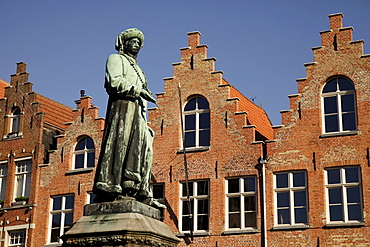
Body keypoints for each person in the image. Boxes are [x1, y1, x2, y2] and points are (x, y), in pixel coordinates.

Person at [93, 28, 165, 209]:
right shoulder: (115, 59)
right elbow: (114, 82)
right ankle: (112, 187)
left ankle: (138, 190)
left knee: (142, 150)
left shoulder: (139, 69)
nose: (137, 44)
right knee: (120, 145)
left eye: (139, 42)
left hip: (138, 113)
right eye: (133, 41)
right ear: (124, 43)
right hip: (123, 108)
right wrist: (137, 90)